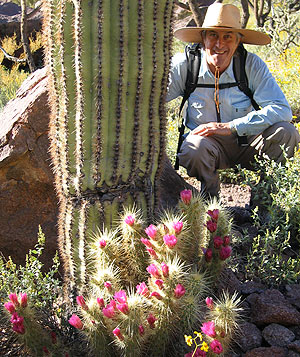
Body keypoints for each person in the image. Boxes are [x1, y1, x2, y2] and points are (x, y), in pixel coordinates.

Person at [167, 2, 300, 197]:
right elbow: (149, 101)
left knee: (287, 132)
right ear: (203, 39)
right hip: (207, 147)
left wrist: (231, 127)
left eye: (227, 37)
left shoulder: (251, 65)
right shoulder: (186, 65)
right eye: (213, 35)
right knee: (193, 148)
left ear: (238, 41)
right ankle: (211, 204)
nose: (219, 44)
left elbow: (282, 109)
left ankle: (263, 204)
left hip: (249, 143)